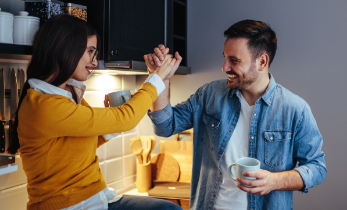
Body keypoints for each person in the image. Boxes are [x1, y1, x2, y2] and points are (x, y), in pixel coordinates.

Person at [144, 20, 326, 210]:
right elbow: (165, 127)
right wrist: (159, 80)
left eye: (234, 60)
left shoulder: (295, 108)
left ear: (262, 61)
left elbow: (317, 167)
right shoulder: (209, 95)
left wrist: (274, 181)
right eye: (225, 58)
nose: (224, 67)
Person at [7, 15, 182, 210]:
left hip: (97, 198)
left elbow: (80, 143)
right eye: (91, 51)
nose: (95, 61)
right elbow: (127, 119)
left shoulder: (68, 92)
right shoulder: (43, 105)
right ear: (67, 47)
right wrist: (156, 78)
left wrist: (110, 123)